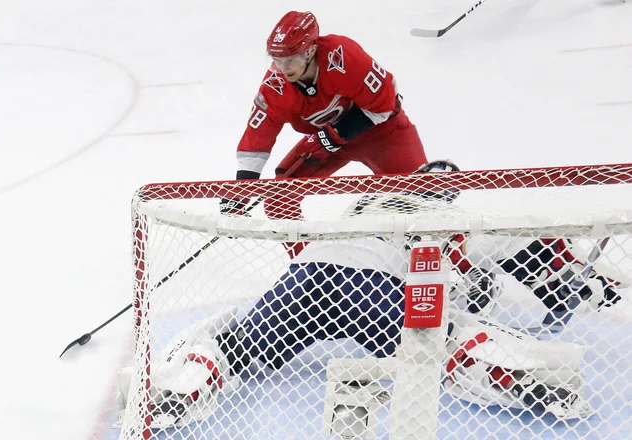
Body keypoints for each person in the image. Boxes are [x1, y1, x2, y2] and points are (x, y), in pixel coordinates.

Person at [117, 193, 608, 429]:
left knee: (234, 340)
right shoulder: (455, 216)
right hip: (374, 293)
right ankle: (513, 375)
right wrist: (579, 283)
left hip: (306, 281)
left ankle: (181, 390)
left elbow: (304, 242)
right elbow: (494, 261)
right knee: (448, 336)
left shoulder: (362, 205)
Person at [220, 10, 430, 223]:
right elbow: (257, 138)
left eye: (290, 60)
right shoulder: (275, 85)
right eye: (277, 60)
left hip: (382, 133)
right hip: (327, 142)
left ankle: (454, 253)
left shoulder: (344, 56)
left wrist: (338, 133)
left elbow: (384, 103)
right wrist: (240, 192)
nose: (283, 69)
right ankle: (308, 257)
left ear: (310, 51)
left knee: (424, 198)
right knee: (279, 202)